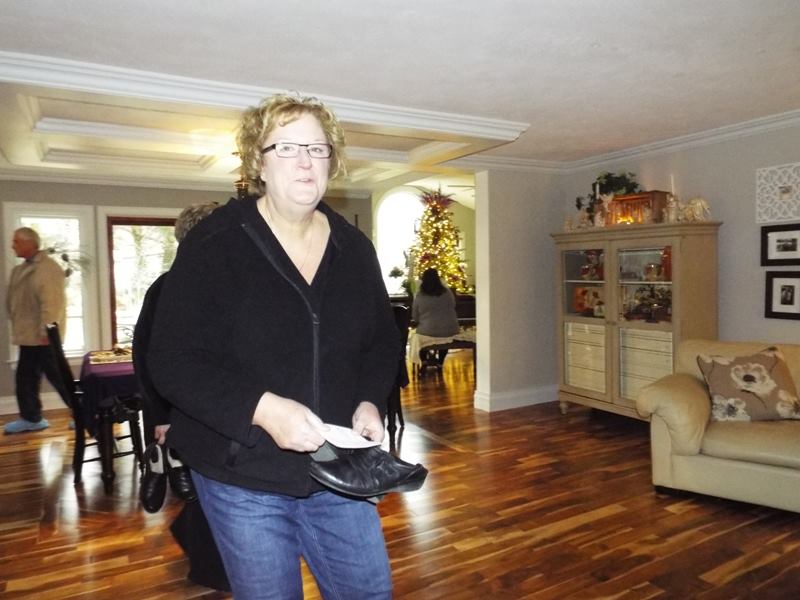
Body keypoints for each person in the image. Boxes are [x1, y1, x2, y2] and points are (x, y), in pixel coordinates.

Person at [147, 93, 399, 599]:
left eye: (317, 148)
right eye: (286, 147)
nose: (305, 161)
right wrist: (262, 409)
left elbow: (381, 341)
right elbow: (172, 360)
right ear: (258, 163)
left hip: (337, 466)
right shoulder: (215, 243)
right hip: (242, 476)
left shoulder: (355, 249)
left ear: (332, 161)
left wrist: (368, 398)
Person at [132, 201, 229, 591]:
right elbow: (147, 358)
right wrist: (161, 417)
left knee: (214, 490)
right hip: (185, 413)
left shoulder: (226, 282)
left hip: (219, 409)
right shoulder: (168, 288)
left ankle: (207, 554)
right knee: (209, 492)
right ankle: (211, 571)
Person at [4, 227, 71, 434]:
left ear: (30, 243)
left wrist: (46, 333)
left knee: (59, 378)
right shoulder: (21, 269)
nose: (12, 246)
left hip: (44, 337)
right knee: (25, 379)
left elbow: (52, 303)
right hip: (28, 336)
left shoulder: (48, 269)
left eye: (16, 241)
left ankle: (86, 414)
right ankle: (32, 418)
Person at [412, 267, 460, 366]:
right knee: (445, 339)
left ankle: (424, 360)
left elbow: (415, 316)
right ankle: (440, 361)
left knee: (418, 338)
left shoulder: (420, 295)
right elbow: (453, 306)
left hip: (428, 331)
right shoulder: (447, 292)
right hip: (450, 329)